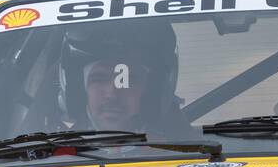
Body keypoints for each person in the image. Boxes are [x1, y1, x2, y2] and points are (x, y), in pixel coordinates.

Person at [57, 18, 194, 137]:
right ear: (80, 89)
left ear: (151, 91)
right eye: (99, 79)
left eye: (127, 79)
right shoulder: (54, 155)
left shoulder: (195, 154)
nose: (112, 93)